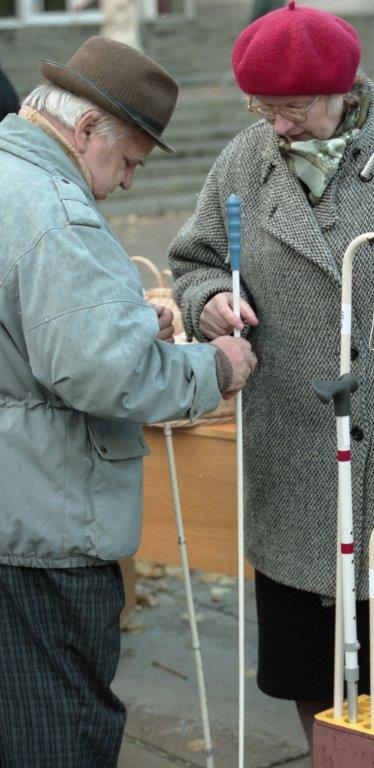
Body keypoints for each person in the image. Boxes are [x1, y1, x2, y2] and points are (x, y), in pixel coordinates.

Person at [168, 1, 374, 751]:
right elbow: (195, 260)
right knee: (312, 669)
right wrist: (208, 302)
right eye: (262, 107)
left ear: (341, 90)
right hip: (294, 462)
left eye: (293, 108)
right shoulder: (245, 160)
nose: (277, 124)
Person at [0, 36, 256, 768]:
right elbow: (105, 377)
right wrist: (214, 367)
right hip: (47, 522)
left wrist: (124, 323)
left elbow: (37, 335)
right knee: (60, 735)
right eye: (129, 162)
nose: (128, 183)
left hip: (18, 509)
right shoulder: (56, 212)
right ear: (86, 130)